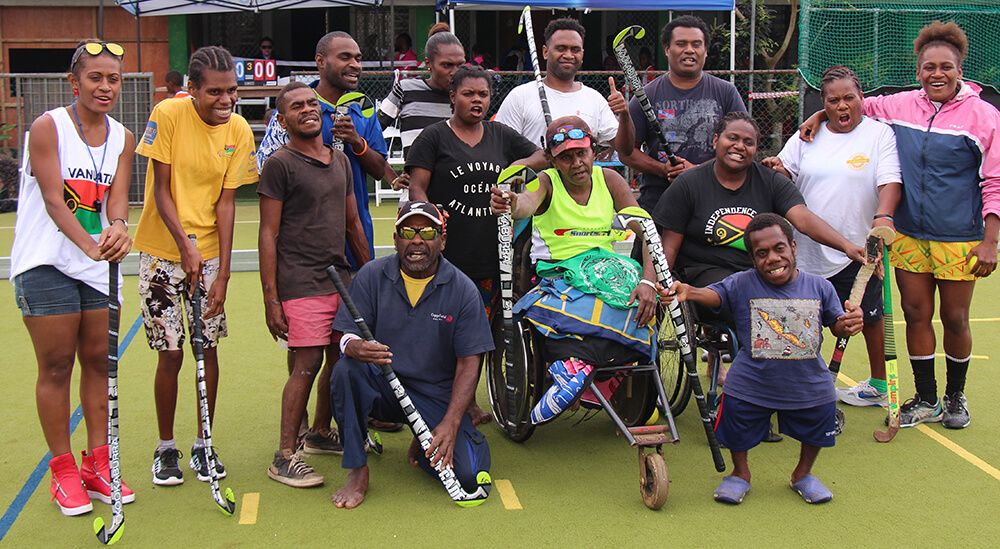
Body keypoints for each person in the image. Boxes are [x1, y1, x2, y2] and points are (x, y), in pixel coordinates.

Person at [800, 21, 1000, 429]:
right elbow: (855, 105)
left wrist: (990, 240)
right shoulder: (902, 104)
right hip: (907, 234)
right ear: (918, 71)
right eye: (929, 67)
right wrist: (820, 114)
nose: (937, 74)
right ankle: (926, 399)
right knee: (915, 312)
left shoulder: (984, 116)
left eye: (946, 67)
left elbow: (994, 180)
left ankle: (955, 397)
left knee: (956, 318)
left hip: (960, 237)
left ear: (960, 70)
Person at [10, 39, 135, 516]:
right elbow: (53, 200)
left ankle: (97, 464)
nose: (105, 87)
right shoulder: (48, 127)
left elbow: (116, 199)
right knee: (58, 365)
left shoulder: (122, 137)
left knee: (100, 364)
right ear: (74, 81)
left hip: (96, 265)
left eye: (113, 79)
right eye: (95, 77)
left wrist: (118, 226)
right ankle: (62, 471)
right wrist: (90, 246)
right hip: (46, 262)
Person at [660, 213, 863, 505]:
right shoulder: (742, 283)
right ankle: (740, 473)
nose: (772, 258)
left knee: (821, 412)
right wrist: (689, 291)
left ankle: (803, 474)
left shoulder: (820, 286)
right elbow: (714, 295)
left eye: (779, 248)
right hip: (752, 379)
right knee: (734, 413)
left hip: (808, 379)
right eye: (762, 253)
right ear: (753, 259)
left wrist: (849, 323)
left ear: (793, 247)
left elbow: (837, 324)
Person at [653, 112, 865, 385]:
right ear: (716, 140)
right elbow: (668, 246)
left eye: (748, 142)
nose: (739, 146)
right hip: (705, 273)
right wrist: (658, 285)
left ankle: (794, 375)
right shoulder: (690, 184)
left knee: (788, 295)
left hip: (758, 271)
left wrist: (847, 246)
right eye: (732, 138)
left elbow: (802, 218)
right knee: (751, 299)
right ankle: (754, 378)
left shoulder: (770, 181)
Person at [134, 46, 258, 486]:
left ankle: (204, 443)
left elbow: (226, 204)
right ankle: (165, 447)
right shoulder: (168, 114)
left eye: (232, 91)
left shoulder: (238, 129)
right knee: (170, 353)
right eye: (215, 92)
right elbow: (161, 190)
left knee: (207, 349)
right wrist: (184, 247)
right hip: (162, 252)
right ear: (192, 89)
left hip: (208, 257)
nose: (226, 100)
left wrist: (222, 272)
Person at [329, 201, 494, 509]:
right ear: (396, 240)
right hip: (384, 387)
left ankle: (424, 439)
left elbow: (469, 362)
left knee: (468, 477)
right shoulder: (371, 275)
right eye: (408, 232)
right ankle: (357, 468)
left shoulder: (463, 289)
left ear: (442, 240)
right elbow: (346, 335)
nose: (417, 240)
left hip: (434, 395)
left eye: (428, 232)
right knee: (346, 370)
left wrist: (451, 423)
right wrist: (354, 346)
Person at [408, 64, 547, 425]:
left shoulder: (501, 135)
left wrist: (516, 166)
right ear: (452, 96)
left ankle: (467, 402)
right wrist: (429, 215)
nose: (477, 100)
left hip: (492, 257)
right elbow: (417, 187)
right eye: (468, 94)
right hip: (447, 258)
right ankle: (434, 401)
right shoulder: (433, 137)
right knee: (442, 333)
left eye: (483, 94)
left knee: (479, 334)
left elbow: (542, 156)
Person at [763, 65, 902, 407]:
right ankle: (792, 386)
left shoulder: (879, 135)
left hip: (858, 246)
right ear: (823, 104)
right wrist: (778, 169)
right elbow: (785, 172)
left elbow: (890, 182)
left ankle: (879, 385)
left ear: (861, 98)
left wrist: (883, 217)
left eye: (849, 98)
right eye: (833, 101)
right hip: (805, 249)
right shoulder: (807, 136)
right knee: (800, 318)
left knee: (870, 317)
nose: (842, 106)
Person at [258, 81, 372, 487]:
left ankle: (320, 433)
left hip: (339, 280)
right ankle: (284, 456)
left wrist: (371, 275)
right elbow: (268, 234)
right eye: (297, 106)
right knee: (306, 365)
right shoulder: (280, 165)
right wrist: (271, 299)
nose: (307, 110)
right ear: (282, 119)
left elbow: (353, 223)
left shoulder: (339, 160)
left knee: (339, 360)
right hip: (300, 282)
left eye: (311, 104)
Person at [258, 31, 394, 270]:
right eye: (345, 57)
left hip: (356, 239)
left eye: (358, 58)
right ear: (321, 61)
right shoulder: (295, 109)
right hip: (304, 248)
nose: (355, 65)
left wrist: (357, 142)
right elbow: (266, 170)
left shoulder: (364, 108)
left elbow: (378, 169)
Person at [615, 15, 747, 216]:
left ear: (705, 51)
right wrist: (662, 169)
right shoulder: (647, 95)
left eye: (696, 44)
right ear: (667, 49)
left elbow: (742, 146)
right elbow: (627, 152)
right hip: (659, 204)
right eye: (681, 44)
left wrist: (698, 171)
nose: (689, 50)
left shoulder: (726, 92)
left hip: (714, 202)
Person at [494, 17, 618, 151]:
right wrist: (537, 159)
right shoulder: (520, 96)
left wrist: (625, 115)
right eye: (561, 48)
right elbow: (498, 149)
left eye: (575, 50)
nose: (568, 55)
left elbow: (626, 150)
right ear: (545, 52)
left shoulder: (595, 99)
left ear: (582, 55)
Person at [378, 26, 465, 202]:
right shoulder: (406, 90)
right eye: (447, 65)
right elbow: (369, 134)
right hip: (415, 204)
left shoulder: (467, 96)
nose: (455, 72)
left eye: (460, 65)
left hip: (461, 203)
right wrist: (392, 178)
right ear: (428, 63)